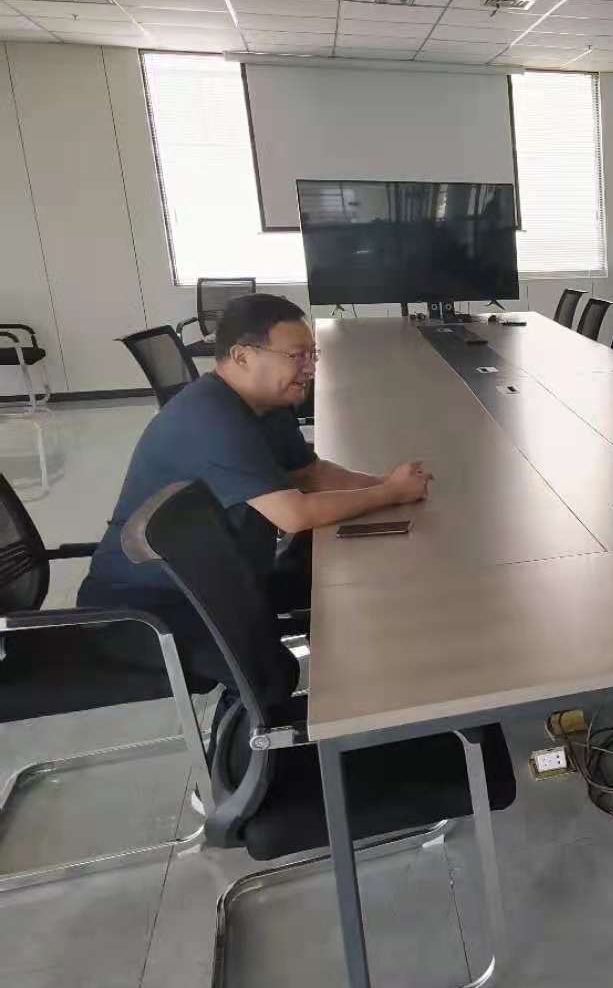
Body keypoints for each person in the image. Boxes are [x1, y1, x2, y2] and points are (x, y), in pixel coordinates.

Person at [79, 294, 433, 707]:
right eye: (297, 356)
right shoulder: (212, 418)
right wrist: (389, 493)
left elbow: (312, 474)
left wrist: (387, 485)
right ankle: (259, 739)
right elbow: (294, 514)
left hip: (219, 573)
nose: (310, 368)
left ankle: (386, 687)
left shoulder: (266, 403)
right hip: (146, 606)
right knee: (269, 674)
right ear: (242, 356)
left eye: (313, 354)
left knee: (329, 588)